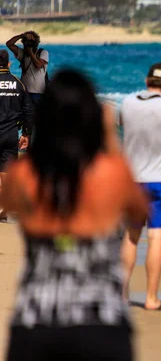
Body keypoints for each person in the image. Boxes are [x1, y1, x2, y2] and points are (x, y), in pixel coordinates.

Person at [0, 70, 148, 361]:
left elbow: (8, 202)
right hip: (100, 320)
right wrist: (108, 137)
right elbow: (139, 211)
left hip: (37, 319)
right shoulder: (112, 174)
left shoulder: (25, 176)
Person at [120, 62, 161, 311]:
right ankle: (151, 298)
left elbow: (122, 123)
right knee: (157, 237)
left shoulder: (128, 102)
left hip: (132, 180)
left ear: (147, 82)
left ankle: (122, 295)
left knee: (130, 236)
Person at [0, 49, 33, 222]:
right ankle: (4, 209)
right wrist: (26, 134)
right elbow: (28, 111)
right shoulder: (18, 83)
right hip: (10, 134)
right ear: (9, 64)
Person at [6, 30, 49, 109]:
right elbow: (9, 44)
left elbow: (38, 65)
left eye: (31, 42)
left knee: (37, 117)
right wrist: (21, 36)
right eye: (26, 42)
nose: (28, 44)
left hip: (38, 93)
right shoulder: (23, 54)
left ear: (36, 42)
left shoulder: (43, 53)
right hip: (25, 92)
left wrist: (31, 52)